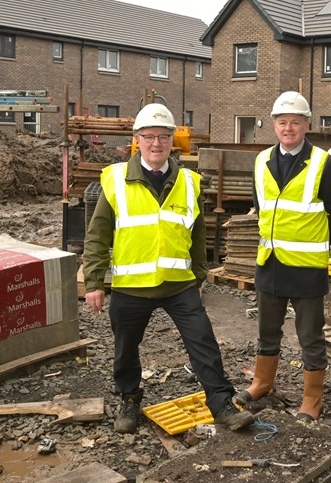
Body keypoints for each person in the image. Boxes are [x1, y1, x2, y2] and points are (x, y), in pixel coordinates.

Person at [83, 103, 255, 434]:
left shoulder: (189, 182)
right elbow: (97, 235)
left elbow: (198, 235)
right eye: (149, 136)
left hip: (179, 286)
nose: (156, 143)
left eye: (163, 136)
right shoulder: (116, 180)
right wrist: (94, 282)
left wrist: (199, 277)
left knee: (203, 343)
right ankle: (130, 400)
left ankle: (221, 404)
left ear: (172, 140)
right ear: (137, 139)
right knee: (124, 350)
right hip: (131, 288)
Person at [235, 91, 331, 421]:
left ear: (306, 124)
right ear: (273, 125)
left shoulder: (322, 164)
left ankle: (312, 399)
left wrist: (315, 241)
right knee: (266, 331)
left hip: (306, 269)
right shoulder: (262, 161)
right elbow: (262, 206)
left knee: (310, 337)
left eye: (295, 122)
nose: (289, 128)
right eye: (283, 122)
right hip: (270, 265)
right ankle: (262, 383)